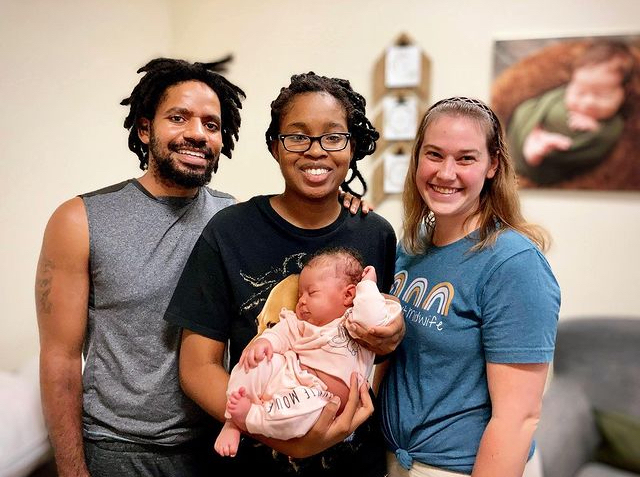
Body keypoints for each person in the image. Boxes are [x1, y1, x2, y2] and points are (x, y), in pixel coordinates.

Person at [164, 71, 404, 476]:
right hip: (251, 461)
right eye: (297, 136)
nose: (316, 151)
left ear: (352, 146)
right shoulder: (230, 231)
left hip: (353, 461)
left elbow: (380, 349)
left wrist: (391, 338)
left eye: (333, 137)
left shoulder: (375, 233)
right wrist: (275, 431)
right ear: (275, 146)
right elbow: (196, 367)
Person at [34, 57, 246, 477]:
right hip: (117, 449)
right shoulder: (80, 220)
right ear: (146, 129)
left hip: (215, 445)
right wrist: (72, 470)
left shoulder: (232, 219)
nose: (196, 133)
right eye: (178, 118)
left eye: (211, 124)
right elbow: (60, 358)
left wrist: (344, 206)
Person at [378, 97, 561, 477]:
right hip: (397, 458)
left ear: (492, 165)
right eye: (434, 154)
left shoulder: (513, 263)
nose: (446, 173)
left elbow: (519, 419)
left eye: (466, 158)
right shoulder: (412, 246)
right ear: (417, 158)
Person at [215, 247, 402, 457]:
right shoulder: (300, 323)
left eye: (312, 293)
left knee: (302, 411)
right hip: (290, 377)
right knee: (254, 362)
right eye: (299, 295)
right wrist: (265, 343)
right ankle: (233, 421)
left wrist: (367, 286)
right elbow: (281, 333)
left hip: (320, 398)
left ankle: (251, 417)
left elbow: (374, 318)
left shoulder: (355, 323)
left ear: (349, 294)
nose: (302, 301)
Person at [507, 40, 635, 185]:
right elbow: (541, 104)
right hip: (532, 129)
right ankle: (534, 138)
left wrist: (595, 130)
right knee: (524, 110)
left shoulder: (613, 124)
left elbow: (602, 144)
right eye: (580, 92)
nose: (588, 102)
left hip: (555, 163)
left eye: (601, 95)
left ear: (624, 93)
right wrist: (534, 125)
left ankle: (545, 149)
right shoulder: (560, 95)